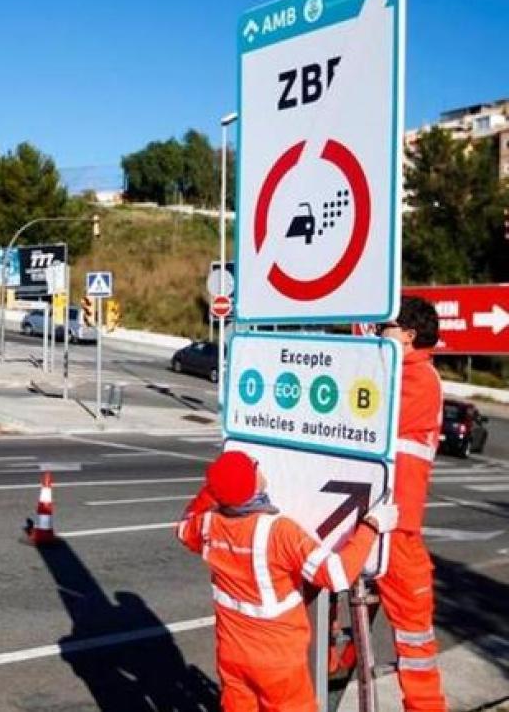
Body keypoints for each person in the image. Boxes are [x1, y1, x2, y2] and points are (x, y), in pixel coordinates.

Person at [177, 449, 398, 712]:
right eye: (254, 465)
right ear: (251, 484)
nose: (260, 466)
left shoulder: (207, 525)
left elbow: (183, 526)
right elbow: (337, 574)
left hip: (232, 656)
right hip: (277, 663)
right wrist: (372, 525)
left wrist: (214, 488)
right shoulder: (279, 532)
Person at [372, 296, 447, 710]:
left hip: (397, 526)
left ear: (409, 335)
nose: (380, 334)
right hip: (375, 518)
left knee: (414, 635)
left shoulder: (418, 378)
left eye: (387, 328)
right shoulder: (401, 373)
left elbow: (371, 420)